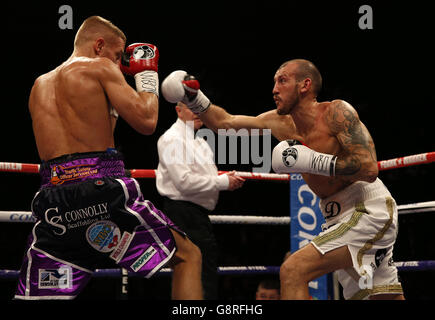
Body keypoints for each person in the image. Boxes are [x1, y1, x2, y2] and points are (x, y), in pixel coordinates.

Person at [160, 60, 405, 300]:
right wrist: (195, 98)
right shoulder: (278, 122)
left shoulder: (336, 112)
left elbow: (369, 167)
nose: (274, 89)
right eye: (274, 82)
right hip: (336, 216)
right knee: (380, 297)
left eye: (282, 81)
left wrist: (312, 160)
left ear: (305, 85)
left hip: (366, 209)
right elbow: (226, 123)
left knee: (293, 270)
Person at [15, 16, 202, 300]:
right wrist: (146, 76)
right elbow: (147, 120)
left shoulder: (39, 85)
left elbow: (86, 130)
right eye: (117, 55)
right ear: (99, 45)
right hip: (102, 192)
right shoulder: (100, 66)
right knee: (189, 256)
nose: (119, 64)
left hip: (54, 202)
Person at [155, 101, 245, 299]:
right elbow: (184, 182)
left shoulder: (200, 141)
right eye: (190, 108)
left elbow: (205, 177)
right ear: (178, 110)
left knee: (203, 274)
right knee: (198, 275)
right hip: (183, 215)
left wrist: (224, 180)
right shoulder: (171, 139)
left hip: (197, 216)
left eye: (199, 108)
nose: (197, 113)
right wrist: (222, 182)